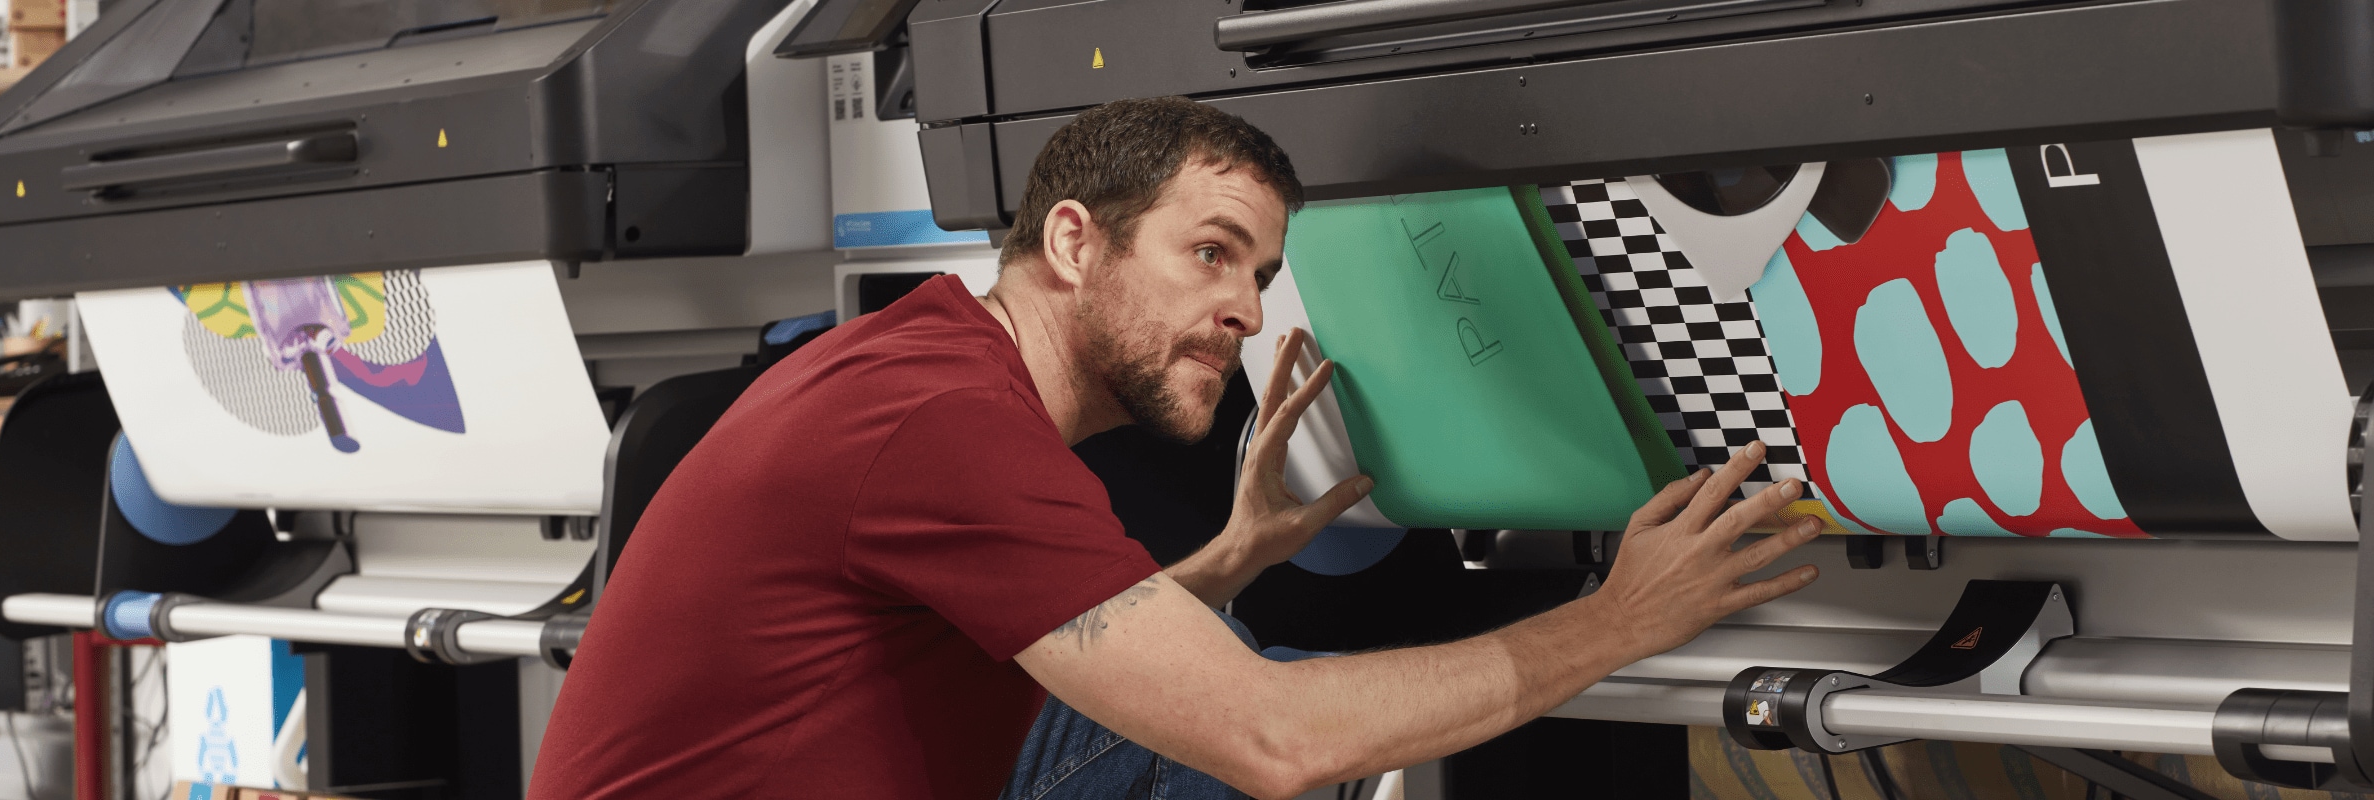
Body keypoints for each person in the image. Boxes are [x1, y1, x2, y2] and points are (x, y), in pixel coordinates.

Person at [527, 96, 1823, 800]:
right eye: (1210, 254)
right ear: (1078, 241)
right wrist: (1620, 618)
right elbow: (1272, 745)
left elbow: (1019, 639)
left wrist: (1221, 563)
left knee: (1232, 658)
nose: (1248, 310)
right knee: (1264, 701)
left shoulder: (921, 368)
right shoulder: (942, 427)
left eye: (1260, 272)